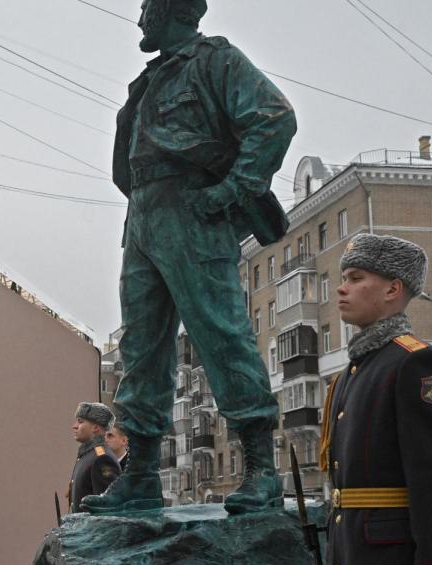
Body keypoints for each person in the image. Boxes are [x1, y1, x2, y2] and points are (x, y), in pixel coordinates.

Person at [82, 0, 296, 516]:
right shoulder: (149, 81)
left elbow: (273, 118)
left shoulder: (214, 60)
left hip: (191, 212)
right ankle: (141, 476)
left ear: (171, 11)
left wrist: (232, 191)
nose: (139, 21)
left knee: (221, 333)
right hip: (145, 215)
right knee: (142, 348)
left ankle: (261, 472)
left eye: (145, 9)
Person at [320, 234, 432, 565]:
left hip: (393, 561)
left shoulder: (414, 363)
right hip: (355, 555)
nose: (342, 289)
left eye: (356, 278)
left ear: (392, 289)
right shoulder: (351, 373)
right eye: (343, 279)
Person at [69, 402, 121, 514]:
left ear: (96, 428)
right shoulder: (88, 456)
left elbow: (106, 510)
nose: (74, 426)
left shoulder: (102, 459)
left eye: (80, 421)